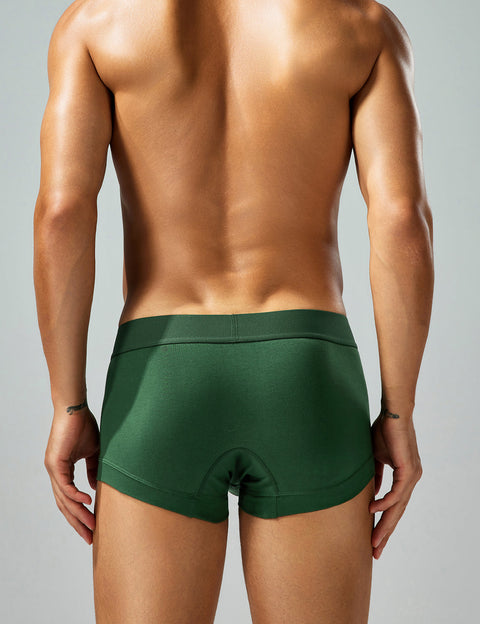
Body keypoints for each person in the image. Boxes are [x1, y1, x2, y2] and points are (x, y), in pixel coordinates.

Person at [33, 0, 434, 622]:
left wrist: (69, 405)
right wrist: (398, 411)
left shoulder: (96, 24)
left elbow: (62, 212)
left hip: (160, 373)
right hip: (306, 372)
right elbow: (402, 220)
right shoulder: (362, 25)